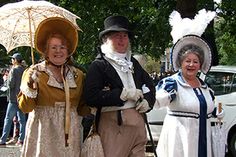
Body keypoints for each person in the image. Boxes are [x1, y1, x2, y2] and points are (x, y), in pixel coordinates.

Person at [84, 15, 156, 157]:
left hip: (138, 126)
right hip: (113, 127)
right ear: (106, 39)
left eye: (124, 35)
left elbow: (150, 85)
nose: (122, 39)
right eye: (116, 36)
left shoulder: (133, 63)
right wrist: (122, 94)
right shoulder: (98, 65)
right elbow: (91, 97)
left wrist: (148, 101)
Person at [17, 17, 90, 157]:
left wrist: (98, 96)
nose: (58, 51)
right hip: (43, 132)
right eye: (53, 47)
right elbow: (26, 108)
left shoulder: (77, 75)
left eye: (62, 47)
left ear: (68, 51)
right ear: (45, 51)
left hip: (70, 135)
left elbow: (82, 108)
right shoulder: (34, 72)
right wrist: (31, 87)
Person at [155, 35, 225, 157]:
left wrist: (216, 111)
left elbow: (204, 107)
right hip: (180, 142)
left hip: (203, 140)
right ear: (181, 63)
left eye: (195, 61)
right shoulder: (173, 84)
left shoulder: (205, 87)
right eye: (187, 61)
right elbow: (157, 102)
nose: (191, 65)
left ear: (200, 65)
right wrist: (155, 97)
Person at [0, 53, 26, 146]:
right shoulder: (24, 70)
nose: (11, 60)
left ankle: (2, 140)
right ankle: (21, 139)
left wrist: (5, 80)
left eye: (12, 59)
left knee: (8, 119)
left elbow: (11, 84)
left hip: (13, 99)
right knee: (22, 120)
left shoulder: (13, 70)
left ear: (15, 60)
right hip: (22, 98)